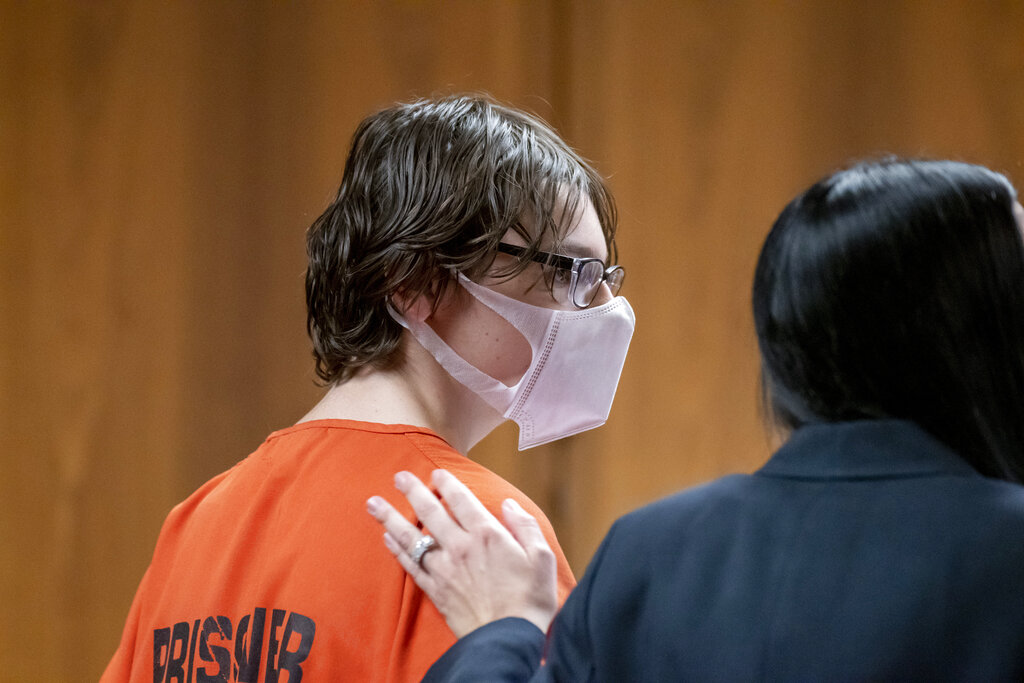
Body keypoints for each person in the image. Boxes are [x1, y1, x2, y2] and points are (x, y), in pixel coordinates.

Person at [369, 158, 1024, 680]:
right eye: (574, 273)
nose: (602, 304)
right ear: (982, 330)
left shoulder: (649, 552)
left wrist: (500, 631)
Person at [102, 95, 635, 682]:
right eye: (571, 272)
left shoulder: (196, 524)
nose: (606, 308)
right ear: (416, 281)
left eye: (606, 277)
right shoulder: (478, 537)